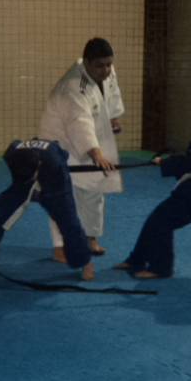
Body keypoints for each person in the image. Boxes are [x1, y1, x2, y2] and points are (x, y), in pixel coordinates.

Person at [113, 94, 191, 278]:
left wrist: (165, 162)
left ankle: (161, 268)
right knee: (156, 220)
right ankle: (137, 260)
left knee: (161, 222)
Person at [39, 37, 125, 262]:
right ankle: (61, 247)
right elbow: (79, 122)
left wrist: (113, 117)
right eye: (100, 66)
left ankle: (90, 237)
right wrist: (95, 152)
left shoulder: (106, 71)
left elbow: (112, 94)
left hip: (90, 140)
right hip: (61, 141)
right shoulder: (73, 86)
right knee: (62, 195)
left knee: (94, 187)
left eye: (109, 64)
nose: (106, 71)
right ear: (86, 62)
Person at [0, 138, 95, 280]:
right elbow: (21, 170)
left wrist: (44, 194)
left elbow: (64, 156)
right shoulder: (11, 154)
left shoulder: (56, 163)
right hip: (22, 181)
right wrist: (27, 183)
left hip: (54, 183)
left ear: (39, 165)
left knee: (68, 222)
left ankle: (84, 261)